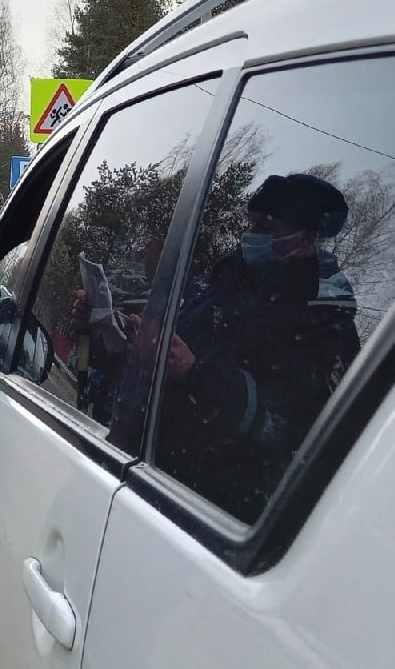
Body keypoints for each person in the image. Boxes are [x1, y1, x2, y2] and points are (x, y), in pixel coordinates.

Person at [152, 173, 361, 522]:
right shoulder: (227, 280)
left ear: (307, 237)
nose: (252, 237)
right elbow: (171, 344)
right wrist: (122, 336)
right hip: (159, 471)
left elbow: (290, 431)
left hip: (211, 510)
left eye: (268, 228)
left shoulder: (324, 325)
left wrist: (196, 375)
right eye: (253, 224)